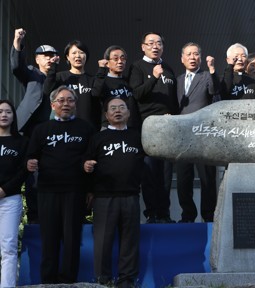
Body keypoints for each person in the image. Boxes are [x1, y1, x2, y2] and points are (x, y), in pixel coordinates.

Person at [26, 86, 94, 283]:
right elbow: (31, 156)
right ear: (53, 104)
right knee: (49, 238)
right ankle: (48, 281)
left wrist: (90, 189)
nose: (66, 104)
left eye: (70, 100)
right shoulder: (41, 130)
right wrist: (30, 162)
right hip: (47, 191)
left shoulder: (86, 128)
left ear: (75, 104)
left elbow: (91, 159)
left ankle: (68, 281)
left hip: (75, 191)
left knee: (72, 239)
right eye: (62, 100)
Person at [83, 98, 144, 287]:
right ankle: (103, 279)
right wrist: (86, 166)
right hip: (104, 197)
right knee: (102, 241)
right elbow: (86, 162)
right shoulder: (97, 138)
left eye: (122, 108)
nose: (117, 111)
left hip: (131, 196)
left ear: (129, 113)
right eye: (113, 108)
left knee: (130, 241)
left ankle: (127, 280)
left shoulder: (137, 137)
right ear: (106, 115)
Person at [128, 32, 178, 223]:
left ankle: (164, 214)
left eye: (159, 43)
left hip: (167, 127)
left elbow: (173, 100)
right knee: (149, 172)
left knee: (166, 174)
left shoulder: (168, 68)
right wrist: (154, 78)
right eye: (151, 43)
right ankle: (151, 214)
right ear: (143, 47)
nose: (155, 46)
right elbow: (137, 94)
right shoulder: (137, 66)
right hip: (147, 126)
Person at [10, 28, 58, 224]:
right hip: (27, 129)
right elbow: (15, 66)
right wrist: (17, 42)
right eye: (44, 56)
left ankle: (43, 215)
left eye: (52, 56)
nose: (48, 59)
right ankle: (29, 217)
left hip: (51, 132)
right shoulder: (31, 74)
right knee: (24, 171)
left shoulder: (60, 78)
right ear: (37, 59)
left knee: (44, 174)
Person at [176, 42, 218, 223]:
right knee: (183, 178)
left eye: (196, 54)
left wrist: (213, 70)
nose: (193, 57)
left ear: (200, 58)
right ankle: (188, 215)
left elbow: (215, 91)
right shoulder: (176, 80)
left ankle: (208, 215)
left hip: (204, 135)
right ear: (182, 59)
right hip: (182, 135)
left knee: (207, 178)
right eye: (189, 54)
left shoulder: (207, 76)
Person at [0, 100, 29, 288]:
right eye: (0, 111)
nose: (3, 115)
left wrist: (4, 190)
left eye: (8, 112)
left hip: (10, 199)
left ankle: (7, 285)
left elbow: (23, 171)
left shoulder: (21, 141)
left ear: (13, 116)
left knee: (8, 246)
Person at [43, 40, 101, 131]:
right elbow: (47, 90)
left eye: (81, 52)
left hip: (88, 129)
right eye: (74, 53)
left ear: (86, 56)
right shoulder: (60, 77)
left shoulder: (92, 79)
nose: (78, 55)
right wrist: (53, 67)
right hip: (63, 128)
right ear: (67, 57)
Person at [92, 45, 141, 129]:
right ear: (107, 62)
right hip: (109, 127)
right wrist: (101, 69)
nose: (120, 61)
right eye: (115, 59)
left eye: (123, 58)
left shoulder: (130, 81)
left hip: (130, 127)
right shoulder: (102, 80)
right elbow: (95, 93)